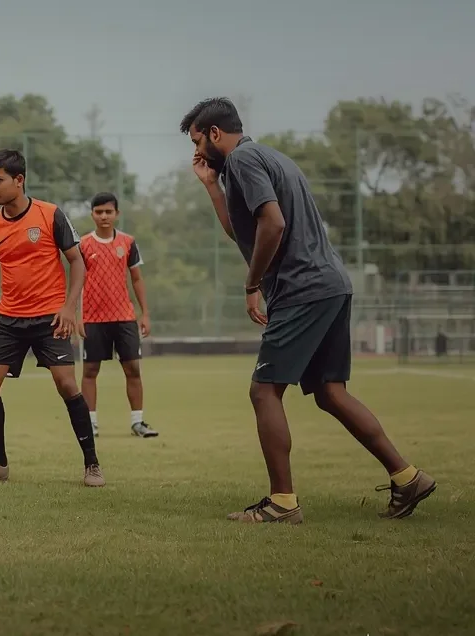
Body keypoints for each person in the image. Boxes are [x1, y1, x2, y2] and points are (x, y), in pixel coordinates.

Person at [180, 97, 435, 522]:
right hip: (331, 285)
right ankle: (408, 477)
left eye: (197, 142)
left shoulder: (242, 160)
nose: (196, 152)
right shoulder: (266, 157)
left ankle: (282, 503)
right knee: (330, 393)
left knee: (264, 391)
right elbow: (244, 231)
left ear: (215, 134)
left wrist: (253, 283)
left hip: (302, 289)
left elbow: (273, 223)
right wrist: (211, 186)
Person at [0, 149, 104, 487]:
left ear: (19, 180)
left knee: (67, 384)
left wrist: (69, 307)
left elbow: (77, 261)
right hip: (9, 319)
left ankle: (92, 465)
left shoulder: (50, 215)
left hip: (50, 318)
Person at [79, 192, 158, 438]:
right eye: (99, 212)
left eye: (108, 212)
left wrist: (145, 314)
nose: (104, 216)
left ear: (117, 214)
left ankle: (138, 422)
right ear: (92, 214)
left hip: (124, 317)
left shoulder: (128, 242)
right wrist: (75, 315)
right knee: (90, 371)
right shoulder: (83, 245)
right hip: (92, 318)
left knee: (132, 368)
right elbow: (76, 281)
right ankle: (90, 423)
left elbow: (137, 279)